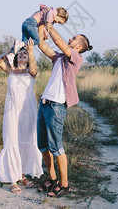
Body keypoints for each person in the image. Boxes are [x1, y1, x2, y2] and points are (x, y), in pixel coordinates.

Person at [36, 23, 92, 197]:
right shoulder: (59, 57)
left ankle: (65, 184)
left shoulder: (76, 58)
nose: (70, 38)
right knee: (43, 146)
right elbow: (42, 46)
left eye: (73, 38)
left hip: (56, 106)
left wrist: (50, 25)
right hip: (44, 103)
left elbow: (59, 41)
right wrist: (41, 26)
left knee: (56, 147)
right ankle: (52, 179)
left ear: (78, 46)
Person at [0, 39, 43, 194]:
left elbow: (34, 68)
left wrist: (30, 51)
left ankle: (22, 175)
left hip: (27, 111)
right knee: (12, 141)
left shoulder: (31, 72)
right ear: (16, 57)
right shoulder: (11, 70)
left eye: (25, 54)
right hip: (11, 111)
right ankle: (13, 180)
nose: (22, 54)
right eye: (20, 53)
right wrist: (10, 49)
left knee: (25, 141)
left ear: (29, 58)